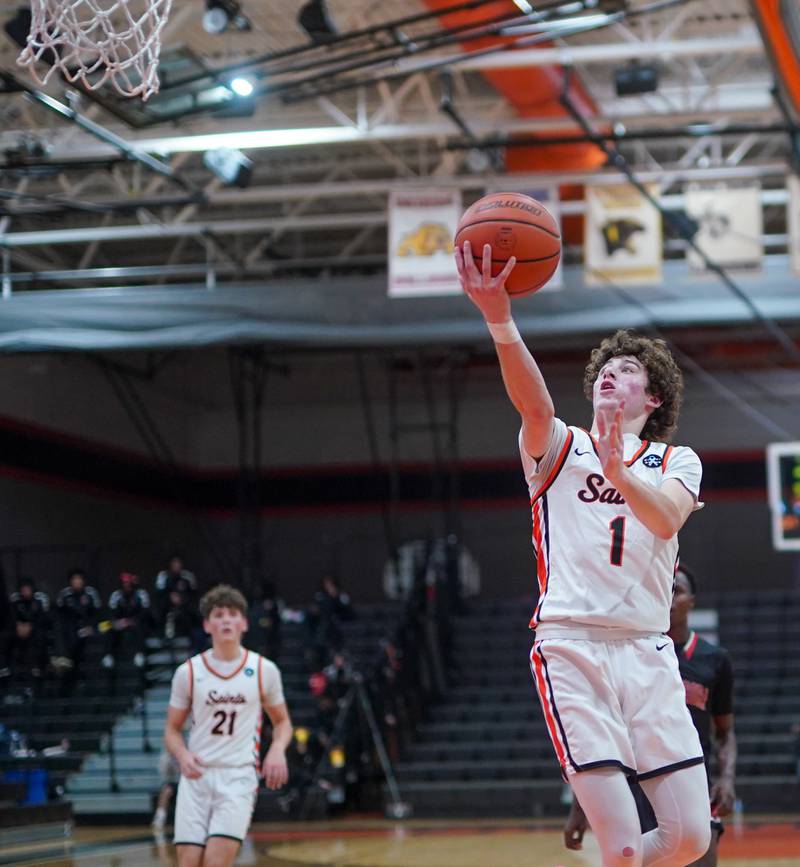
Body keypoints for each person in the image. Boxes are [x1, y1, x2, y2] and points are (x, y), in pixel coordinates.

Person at [455, 241, 710, 867]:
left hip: (649, 651)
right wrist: (499, 318)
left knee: (689, 840)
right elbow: (533, 403)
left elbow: (666, 516)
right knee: (622, 846)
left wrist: (622, 473)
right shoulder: (560, 449)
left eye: (628, 371)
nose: (610, 374)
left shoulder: (677, 461)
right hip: (573, 646)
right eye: (606, 368)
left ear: (652, 401)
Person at [564, 564, 737, 866]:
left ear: (692, 600)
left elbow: (724, 731)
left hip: (691, 784)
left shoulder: (715, 660)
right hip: (635, 793)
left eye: (677, 591)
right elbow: (602, 740)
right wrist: (579, 810)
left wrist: (726, 780)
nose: (668, 598)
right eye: (662, 589)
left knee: (698, 853)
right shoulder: (628, 659)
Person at [163, 584, 292, 867]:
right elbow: (172, 730)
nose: (225, 620)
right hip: (196, 777)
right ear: (207, 625)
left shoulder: (263, 670)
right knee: (188, 863)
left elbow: (282, 722)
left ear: (244, 623)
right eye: (218, 615)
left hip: (237, 776)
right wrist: (183, 755)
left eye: (232, 614)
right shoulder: (188, 672)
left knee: (215, 862)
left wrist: (277, 749)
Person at [54, 569, 102, 691]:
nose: (77, 582)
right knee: (65, 632)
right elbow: (59, 615)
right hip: (71, 629)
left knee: (105, 627)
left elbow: (97, 614)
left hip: (90, 627)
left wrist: (90, 626)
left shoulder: (91, 593)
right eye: (74, 580)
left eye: (79, 579)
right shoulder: (65, 595)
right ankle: (64, 660)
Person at [103, 571, 151, 671]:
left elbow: (146, 612)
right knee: (105, 625)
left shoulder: (141, 594)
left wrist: (133, 620)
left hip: (138, 622)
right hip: (121, 622)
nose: (127, 586)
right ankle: (108, 655)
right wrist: (119, 621)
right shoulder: (116, 595)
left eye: (129, 584)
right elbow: (111, 613)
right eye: (124, 584)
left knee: (142, 625)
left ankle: (139, 654)